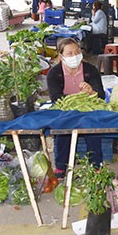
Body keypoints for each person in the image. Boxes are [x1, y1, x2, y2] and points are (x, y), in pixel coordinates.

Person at [46, 38, 106, 178]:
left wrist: (92, 91)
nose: (75, 56)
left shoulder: (90, 70)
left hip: (88, 110)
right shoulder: (54, 73)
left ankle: (96, 166)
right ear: (61, 57)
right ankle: (61, 165)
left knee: (91, 127)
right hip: (66, 110)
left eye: (77, 51)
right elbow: (56, 98)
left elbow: (101, 95)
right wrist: (78, 97)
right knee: (63, 127)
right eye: (70, 53)